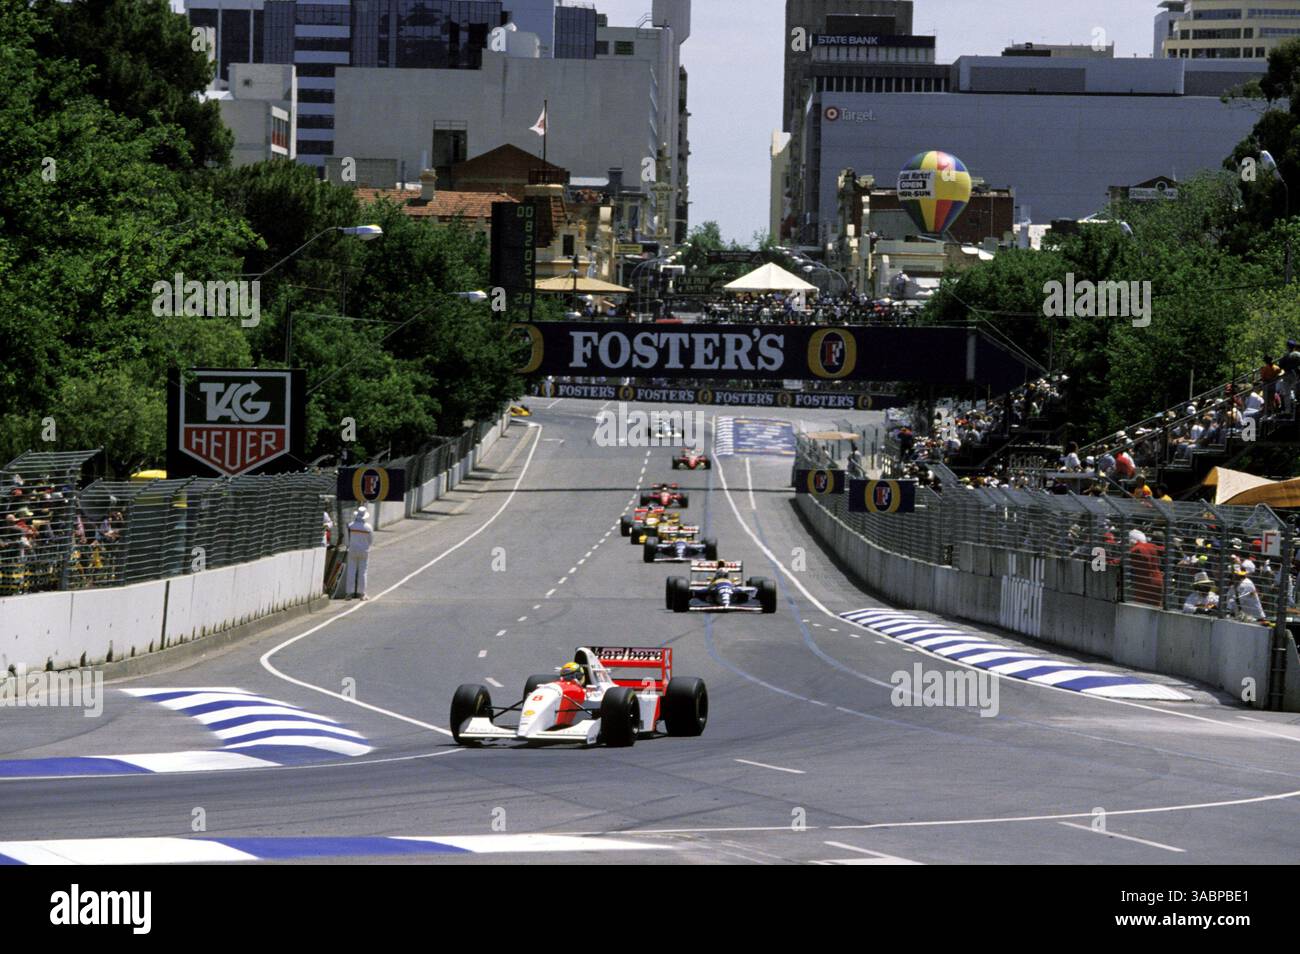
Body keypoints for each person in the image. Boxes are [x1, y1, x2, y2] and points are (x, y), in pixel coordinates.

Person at [1128, 529, 1164, 607]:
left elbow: (1121, 560)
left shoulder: (1136, 549)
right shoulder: (1152, 546)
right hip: (1157, 580)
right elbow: (1164, 549)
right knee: (1157, 607)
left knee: (1141, 607)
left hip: (1143, 583)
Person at [344, 506, 373, 600]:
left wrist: (349, 545)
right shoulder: (368, 527)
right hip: (364, 550)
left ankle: (349, 593)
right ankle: (362, 594)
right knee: (363, 572)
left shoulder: (351, 525)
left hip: (352, 549)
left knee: (351, 571)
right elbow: (370, 540)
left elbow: (347, 540)